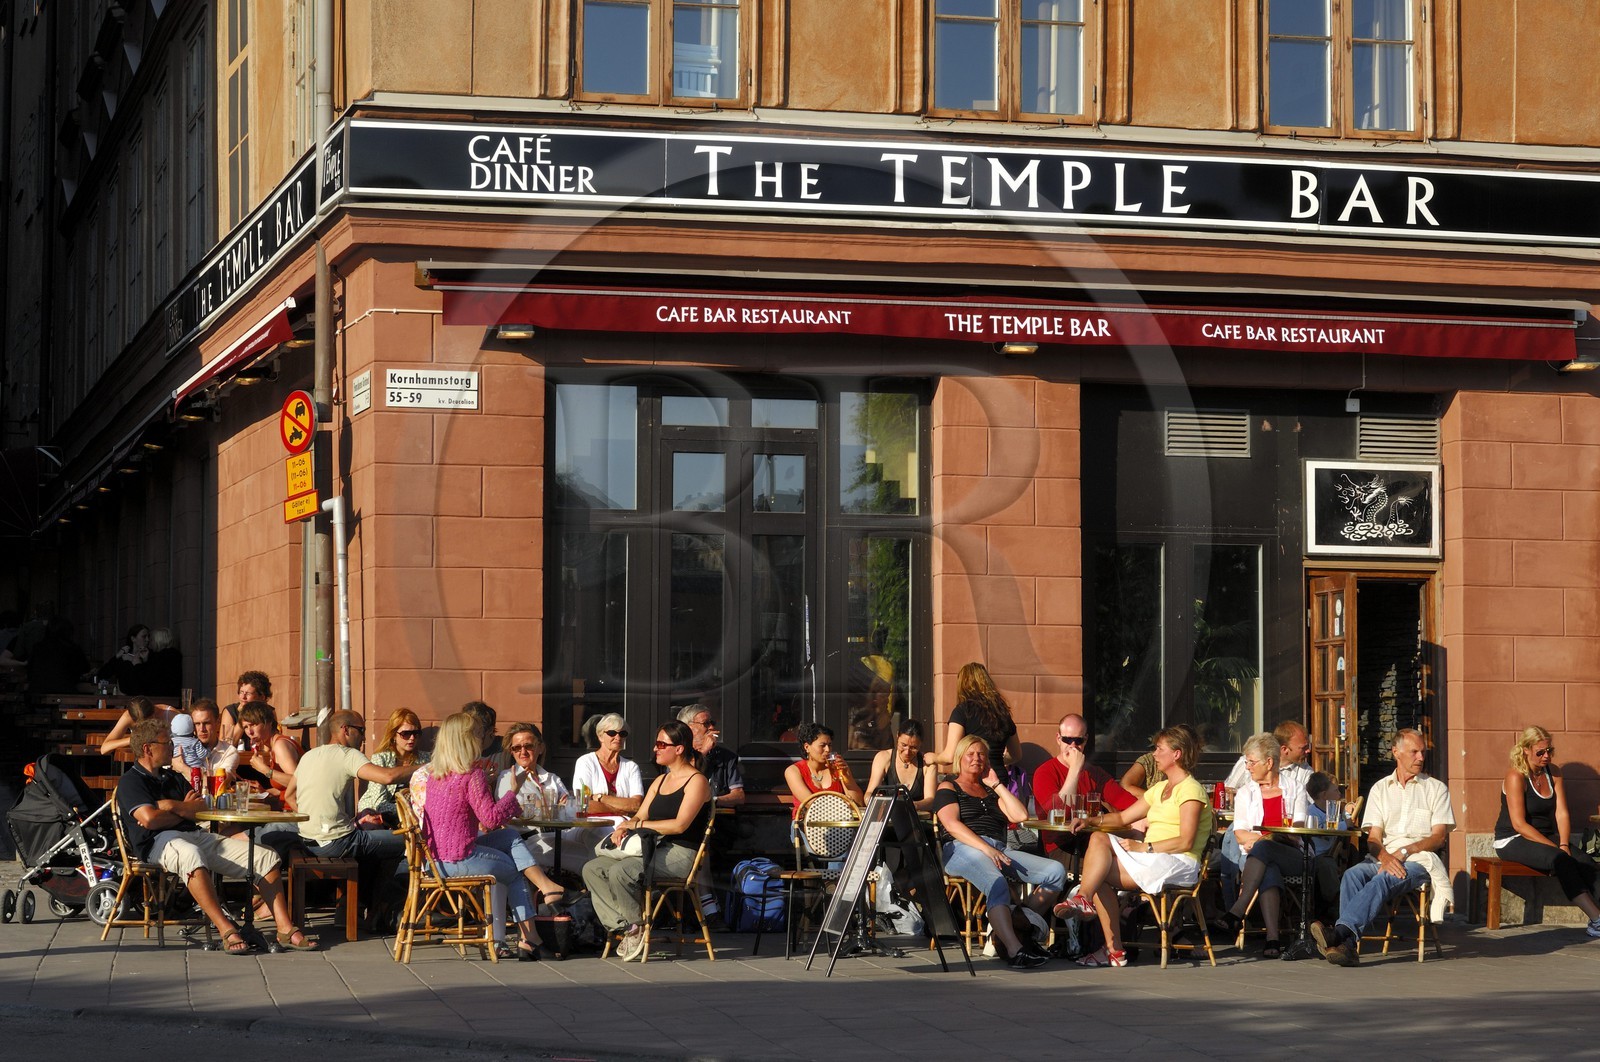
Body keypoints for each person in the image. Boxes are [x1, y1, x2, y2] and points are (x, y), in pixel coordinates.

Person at [115, 718, 315, 953]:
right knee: (191, 854)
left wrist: (170, 805)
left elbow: (199, 808)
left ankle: (284, 927)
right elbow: (149, 820)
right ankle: (226, 929)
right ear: (148, 748)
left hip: (194, 833)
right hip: (158, 842)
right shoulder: (131, 781)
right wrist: (182, 810)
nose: (173, 747)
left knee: (265, 857)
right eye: (167, 742)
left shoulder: (173, 777)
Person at [1059, 725, 1212, 968]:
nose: (1154, 754)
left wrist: (1145, 847)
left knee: (1095, 872)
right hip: (1153, 856)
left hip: (1177, 860)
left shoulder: (1191, 790)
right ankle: (1086, 901)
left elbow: (1186, 841)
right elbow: (1121, 818)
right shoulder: (1161, 788)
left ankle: (1112, 947)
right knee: (1098, 840)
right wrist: (1090, 820)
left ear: (1177, 754)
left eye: (1159, 748)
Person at [1309, 729, 1454, 967]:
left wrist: (1405, 851)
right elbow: (1373, 838)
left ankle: (1339, 933)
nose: (1420, 757)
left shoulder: (1436, 789)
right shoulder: (1380, 789)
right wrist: (1386, 857)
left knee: (1383, 879)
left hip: (1420, 860)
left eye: (1422, 752)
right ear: (1396, 753)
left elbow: (1438, 838)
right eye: (1414, 752)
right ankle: (1348, 947)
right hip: (1383, 858)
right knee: (1352, 875)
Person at [410, 712, 542, 961]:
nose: (482, 740)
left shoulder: (437, 776)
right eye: (478, 734)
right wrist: (512, 792)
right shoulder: (472, 775)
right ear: (466, 740)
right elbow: (491, 820)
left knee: (510, 837)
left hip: (436, 861)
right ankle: (529, 937)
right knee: (514, 873)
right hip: (460, 858)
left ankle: (545, 889)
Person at [582, 720, 713, 962]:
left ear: (680, 748)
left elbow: (679, 825)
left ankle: (636, 924)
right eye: (656, 744)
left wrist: (639, 825)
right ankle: (624, 926)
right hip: (652, 848)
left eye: (662, 744)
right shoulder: (660, 781)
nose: (656, 749)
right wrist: (623, 828)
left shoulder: (697, 781)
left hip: (680, 852)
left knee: (622, 871)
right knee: (593, 868)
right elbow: (640, 814)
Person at [935, 734, 1063, 969]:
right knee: (997, 883)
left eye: (981, 754)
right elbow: (951, 825)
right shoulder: (948, 786)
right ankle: (1016, 950)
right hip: (962, 848)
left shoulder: (991, 791)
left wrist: (996, 784)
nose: (977, 758)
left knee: (1055, 871)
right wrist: (985, 849)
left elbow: (1021, 816)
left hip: (998, 847)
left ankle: (1017, 921)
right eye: (971, 754)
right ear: (959, 757)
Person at [288, 710, 419, 915]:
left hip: (307, 840)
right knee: (410, 841)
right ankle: (384, 911)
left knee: (375, 842)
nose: (364, 737)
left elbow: (289, 795)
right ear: (345, 730)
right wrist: (428, 767)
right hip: (336, 842)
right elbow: (387, 776)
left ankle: (353, 906)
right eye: (361, 730)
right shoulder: (347, 754)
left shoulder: (309, 755)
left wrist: (316, 816)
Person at [1492, 726, 1600, 936]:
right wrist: (1557, 850)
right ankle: (1596, 920)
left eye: (1549, 750)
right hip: (1512, 839)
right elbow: (1519, 825)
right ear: (1525, 749)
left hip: (1545, 837)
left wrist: (1564, 844)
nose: (1546, 756)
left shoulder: (1554, 772)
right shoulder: (1516, 776)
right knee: (1561, 861)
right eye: (1540, 752)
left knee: (1586, 861)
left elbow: (1562, 813)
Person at [1212, 732, 1310, 959]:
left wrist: (1266, 839)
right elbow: (1240, 834)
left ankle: (1237, 911)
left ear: (1269, 762)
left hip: (1293, 857)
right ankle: (1272, 939)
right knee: (1268, 868)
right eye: (1246, 762)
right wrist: (1268, 838)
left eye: (1251, 762)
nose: (1247, 767)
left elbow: (1295, 832)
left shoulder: (1295, 788)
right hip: (1258, 859)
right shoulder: (1246, 793)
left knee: (1264, 849)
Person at [1032, 713, 1137, 877]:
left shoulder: (1095, 773)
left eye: (1078, 741)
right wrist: (1074, 770)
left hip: (1094, 841)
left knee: (1133, 857)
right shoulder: (1045, 772)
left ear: (1086, 740)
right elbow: (1057, 812)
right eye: (1067, 740)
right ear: (1058, 739)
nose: (1073, 746)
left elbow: (1128, 803)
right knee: (1113, 866)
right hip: (1061, 847)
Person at [928, 662, 1020, 774]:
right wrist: (995, 760)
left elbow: (950, 756)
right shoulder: (1002, 712)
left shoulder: (962, 711)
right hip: (998, 778)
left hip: (975, 779)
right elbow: (1016, 755)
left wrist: (933, 757)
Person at [359, 708, 430, 828]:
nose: (412, 738)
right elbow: (379, 803)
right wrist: (407, 811)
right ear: (393, 735)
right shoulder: (380, 759)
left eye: (416, 733)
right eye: (405, 734)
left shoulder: (426, 759)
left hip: (413, 817)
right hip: (380, 814)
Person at [1222, 719, 1314, 809]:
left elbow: (1310, 805)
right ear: (1284, 749)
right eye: (1303, 748)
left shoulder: (1305, 771)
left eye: (1308, 746)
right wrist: (1241, 794)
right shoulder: (1248, 762)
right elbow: (1225, 792)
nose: (1308, 750)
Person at [571, 712, 644, 816]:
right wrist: (616, 810)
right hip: (592, 824)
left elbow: (636, 805)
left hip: (623, 826)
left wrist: (600, 797)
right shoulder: (585, 762)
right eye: (612, 733)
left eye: (622, 734)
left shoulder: (631, 767)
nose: (618, 737)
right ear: (600, 736)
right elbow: (584, 803)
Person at [1305, 771, 1355, 919]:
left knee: (1350, 854)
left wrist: (1349, 811)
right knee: (1326, 865)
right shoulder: (1311, 812)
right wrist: (1344, 824)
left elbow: (1348, 819)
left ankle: (1342, 901)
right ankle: (1334, 904)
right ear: (1324, 795)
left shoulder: (1336, 811)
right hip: (1315, 855)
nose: (1339, 794)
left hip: (1329, 855)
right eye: (1335, 790)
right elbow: (1324, 831)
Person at [784, 722, 864, 814]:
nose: (828, 750)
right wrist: (844, 804)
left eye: (829, 745)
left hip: (836, 824)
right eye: (822, 746)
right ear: (807, 747)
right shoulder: (794, 771)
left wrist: (847, 776)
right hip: (806, 824)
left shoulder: (837, 768)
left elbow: (858, 804)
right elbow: (812, 804)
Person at [678, 704, 745, 809]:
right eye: (706, 724)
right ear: (688, 728)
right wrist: (703, 751)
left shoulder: (726, 757)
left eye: (712, 723)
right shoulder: (677, 753)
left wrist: (713, 801)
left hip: (719, 819)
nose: (712, 727)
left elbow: (739, 796)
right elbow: (679, 780)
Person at [239, 702, 302, 810]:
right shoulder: (274, 746)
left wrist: (265, 770)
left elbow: (298, 782)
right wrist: (265, 791)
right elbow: (285, 789)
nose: (250, 731)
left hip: (294, 816)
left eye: (254, 724)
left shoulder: (280, 745)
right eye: (245, 727)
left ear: (268, 722)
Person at [1118, 723, 1201, 801]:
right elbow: (1124, 785)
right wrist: (1157, 801)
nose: (1155, 753)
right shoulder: (1149, 761)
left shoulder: (1190, 780)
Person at [867, 719, 938, 810]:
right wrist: (875, 801)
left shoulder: (927, 764)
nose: (907, 752)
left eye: (913, 748)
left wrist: (913, 805)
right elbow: (869, 793)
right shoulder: (883, 758)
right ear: (897, 736)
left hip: (917, 818)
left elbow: (930, 800)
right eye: (903, 745)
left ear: (921, 744)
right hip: (888, 815)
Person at [171, 700, 239, 775]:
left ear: (217, 723)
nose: (202, 729)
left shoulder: (229, 752)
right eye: (197, 724)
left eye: (206, 723)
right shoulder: (174, 748)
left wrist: (183, 768)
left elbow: (218, 785)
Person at [100, 696, 176, 755]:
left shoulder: (170, 714)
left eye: (149, 720)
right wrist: (135, 739)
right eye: (141, 724)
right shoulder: (128, 717)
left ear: (154, 712)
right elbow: (104, 749)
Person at [222, 671, 271, 749]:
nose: (243, 697)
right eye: (241, 692)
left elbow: (269, 744)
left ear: (261, 697)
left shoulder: (268, 711)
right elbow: (226, 746)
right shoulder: (230, 711)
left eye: (248, 694)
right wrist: (243, 716)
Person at [98, 624, 149, 694]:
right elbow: (103, 673)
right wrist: (117, 656)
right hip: (124, 697)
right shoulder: (124, 655)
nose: (147, 640)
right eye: (144, 636)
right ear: (133, 638)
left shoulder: (150, 654)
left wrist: (144, 660)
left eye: (148, 636)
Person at [464, 700, 510, 773]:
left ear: (490, 730)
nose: (468, 737)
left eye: (475, 731)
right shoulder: (459, 750)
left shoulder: (507, 749)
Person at [142, 628, 183, 694]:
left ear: (158, 641)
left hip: (159, 696)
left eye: (152, 639)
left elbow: (148, 678)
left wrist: (143, 663)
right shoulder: (174, 656)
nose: (149, 641)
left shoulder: (159, 658)